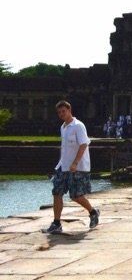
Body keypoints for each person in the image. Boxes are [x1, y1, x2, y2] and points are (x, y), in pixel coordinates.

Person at [46, 100, 99, 233]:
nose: (61, 114)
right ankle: (56, 223)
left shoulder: (78, 126)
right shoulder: (63, 127)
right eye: (59, 112)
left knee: (76, 196)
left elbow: (83, 144)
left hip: (78, 167)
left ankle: (93, 212)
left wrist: (75, 163)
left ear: (70, 110)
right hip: (63, 166)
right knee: (57, 192)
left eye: (63, 111)